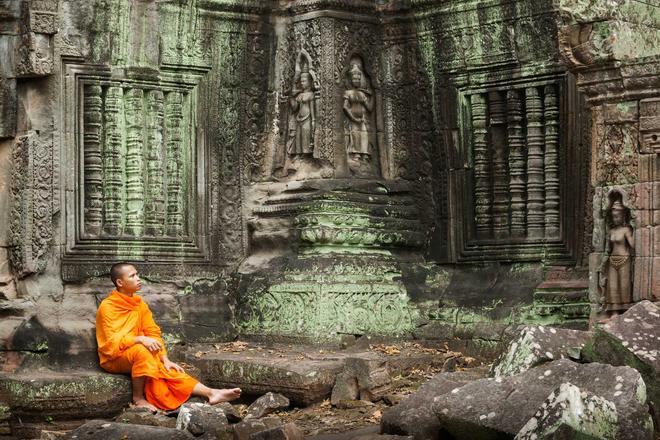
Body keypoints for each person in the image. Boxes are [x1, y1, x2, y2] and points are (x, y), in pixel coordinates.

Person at [96, 262, 241, 411]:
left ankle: (211, 393)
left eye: (137, 274)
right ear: (120, 282)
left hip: (137, 353)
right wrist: (140, 339)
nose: (138, 278)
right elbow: (111, 343)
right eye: (132, 276)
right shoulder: (108, 306)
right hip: (114, 358)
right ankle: (138, 398)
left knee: (167, 369)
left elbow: (153, 333)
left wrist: (165, 359)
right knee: (142, 351)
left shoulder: (139, 304)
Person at [600, 199, 635, 317]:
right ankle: (614, 311)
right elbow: (607, 249)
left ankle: (625, 310)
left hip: (625, 259)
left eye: (617, 217)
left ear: (623, 216)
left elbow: (633, 245)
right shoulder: (611, 231)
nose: (615, 219)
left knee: (624, 285)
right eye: (613, 217)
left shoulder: (626, 230)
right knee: (612, 286)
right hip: (612, 260)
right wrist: (602, 263)